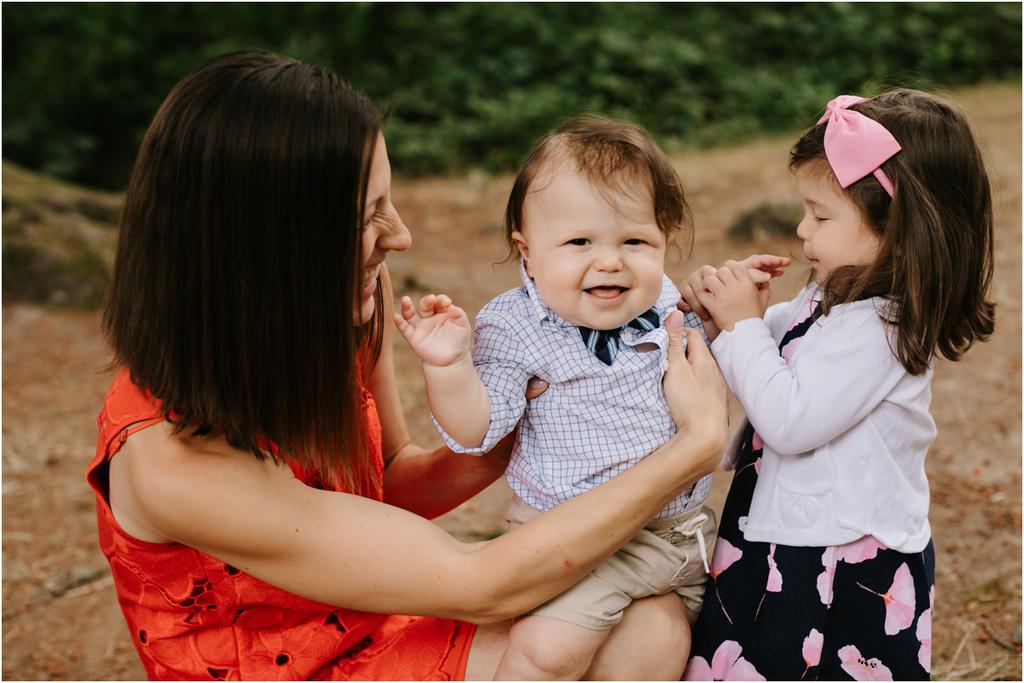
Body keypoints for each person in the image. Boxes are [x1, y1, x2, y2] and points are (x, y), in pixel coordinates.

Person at [86, 51, 729, 681]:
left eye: (386, 201)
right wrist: (693, 446)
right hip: (301, 667)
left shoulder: (343, 308)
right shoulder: (172, 465)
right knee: (619, 649)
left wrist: (556, 405)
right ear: (268, 244)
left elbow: (386, 482)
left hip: (382, 607)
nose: (398, 236)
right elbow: (479, 586)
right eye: (367, 216)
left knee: (652, 629)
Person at [394, 115, 786, 680]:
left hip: (676, 539)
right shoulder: (515, 327)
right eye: (579, 242)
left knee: (656, 652)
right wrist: (450, 367)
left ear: (664, 242)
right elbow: (477, 430)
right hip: (576, 542)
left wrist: (722, 305)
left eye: (635, 241)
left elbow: (694, 352)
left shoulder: (662, 302)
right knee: (546, 650)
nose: (610, 260)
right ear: (527, 252)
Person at [679, 90, 995, 680]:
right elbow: (779, 358)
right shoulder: (830, 298)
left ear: (899, 228)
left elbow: (791, 420)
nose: (803, 229)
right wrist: (722, 315)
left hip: (843, 558)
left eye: (821, 216)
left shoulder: (885, 327)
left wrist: (743, 326)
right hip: (784, 536)